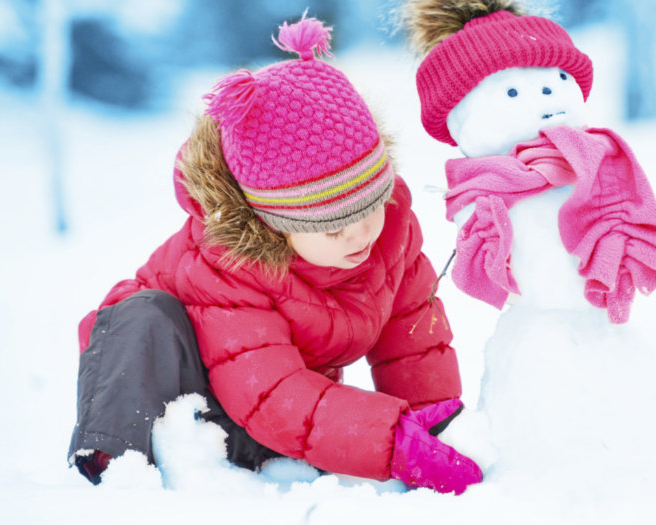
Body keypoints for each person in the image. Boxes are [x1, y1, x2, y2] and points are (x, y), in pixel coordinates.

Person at [65, 15, 482, 495]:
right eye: (332, 225)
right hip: (187, 394)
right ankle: (115, 470)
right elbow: (270, 394)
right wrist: (393, 444)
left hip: (272, 411)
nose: (359, 234)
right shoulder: (232, 266)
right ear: (277, 224)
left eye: (370, 205)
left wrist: (436, 429)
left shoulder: (388, 233)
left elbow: (413, 338)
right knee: (140, 315)